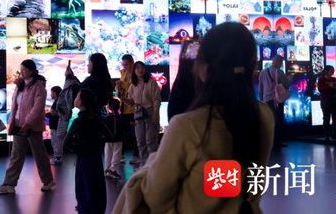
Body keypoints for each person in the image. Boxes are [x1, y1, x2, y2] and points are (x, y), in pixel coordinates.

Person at [112, 22, 275, 214]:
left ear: (203, 69)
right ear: (253, 65)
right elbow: (227, 181)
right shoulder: (264, 116)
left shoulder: (187, 127)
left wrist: (156, 160)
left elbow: (156, 198)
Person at [0, 60, 55, 194]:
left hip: (32, 125)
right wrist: (13, 121)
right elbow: (16, 105)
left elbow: (38, 107)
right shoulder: (20, 85)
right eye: (20, 69)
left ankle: (48, 180)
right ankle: (9, 183)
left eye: (24, 69)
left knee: (39, 153)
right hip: (18, 123)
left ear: (31, 70)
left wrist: (28, 122)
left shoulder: (39, 86)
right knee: (16, 154)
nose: (21, 72)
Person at [64, 88, 113, 214]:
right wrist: (96, 143)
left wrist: (78, 148)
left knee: (83, 187)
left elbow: (66, 141)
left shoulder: (78, 121)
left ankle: (84, 209)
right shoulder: (97, 119)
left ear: (80, 103)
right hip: (96, 158)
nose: (75, 99)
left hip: (83, 159)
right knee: (97, 187)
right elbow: (109, 136)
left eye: (77, 97)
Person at [123, 61, 161, 166]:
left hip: (150, 114)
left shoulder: (152, 83)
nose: (140, 70)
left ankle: (153, 166)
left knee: (151, 141)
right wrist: (123, 98)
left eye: (142, 67)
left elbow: (157, 99)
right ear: (134, 71)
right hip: (139, 116)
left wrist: (155, 113)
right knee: (140, 142)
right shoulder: (132, 86)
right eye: (137, 68)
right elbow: (131, 102)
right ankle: (144, 166)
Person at [258, 54, 292, 148]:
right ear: (278, 62)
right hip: (276, 100)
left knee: (268, 121)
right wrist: (290, 80)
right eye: (281, 62)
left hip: (266, 100)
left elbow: (260, 88)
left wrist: (262, 99)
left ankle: (267, 141)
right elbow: (286, 85)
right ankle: (276, 141)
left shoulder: (263, 72)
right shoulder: (279, 72)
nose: (281, 64)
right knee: (277, 121)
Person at [115, 54, 141, 165]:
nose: (125, 67)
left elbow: (134, 87)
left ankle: (137, 154)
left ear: (132, 63)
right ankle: (121, 154)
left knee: (137, 133)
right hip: (124, 106)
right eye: (123, 64)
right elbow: (123, 87)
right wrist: (118, 87)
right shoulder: (124, 73)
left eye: (126, 64)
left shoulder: (137, 73)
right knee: (122, 132)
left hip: (134, 108)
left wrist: (123, 84)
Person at [103, 98, 127, 179]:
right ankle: (113, 170)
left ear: (109, 107)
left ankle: (107, 170)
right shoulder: (121, 118)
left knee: (108, 154)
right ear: (119, 107)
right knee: (117, 154)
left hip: (108, 139)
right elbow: (124, 127)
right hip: (118, 138)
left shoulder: (106, 118)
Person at [317, 65, 336, 141]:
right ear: (326, 71)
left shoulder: (335, 79)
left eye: (333, 70)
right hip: (325, 100)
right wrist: (330, 86)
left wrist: (335, 88)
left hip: (334, 99)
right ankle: (326, 135)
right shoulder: (321, 79)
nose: (333, 71)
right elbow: (320, 89)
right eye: (331, 70)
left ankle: (335, 134)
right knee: (326, 117)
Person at [46, 86, 63, 165]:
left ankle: (58, 158)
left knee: (56, 142)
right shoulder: (57, 102)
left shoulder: (57, 103)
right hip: (54, 126)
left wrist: (43, 114)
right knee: (55, 142)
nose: (50, 94)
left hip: (55, 126)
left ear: (55, 93)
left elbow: (53, 114)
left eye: (52, 92)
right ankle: (57, 157)